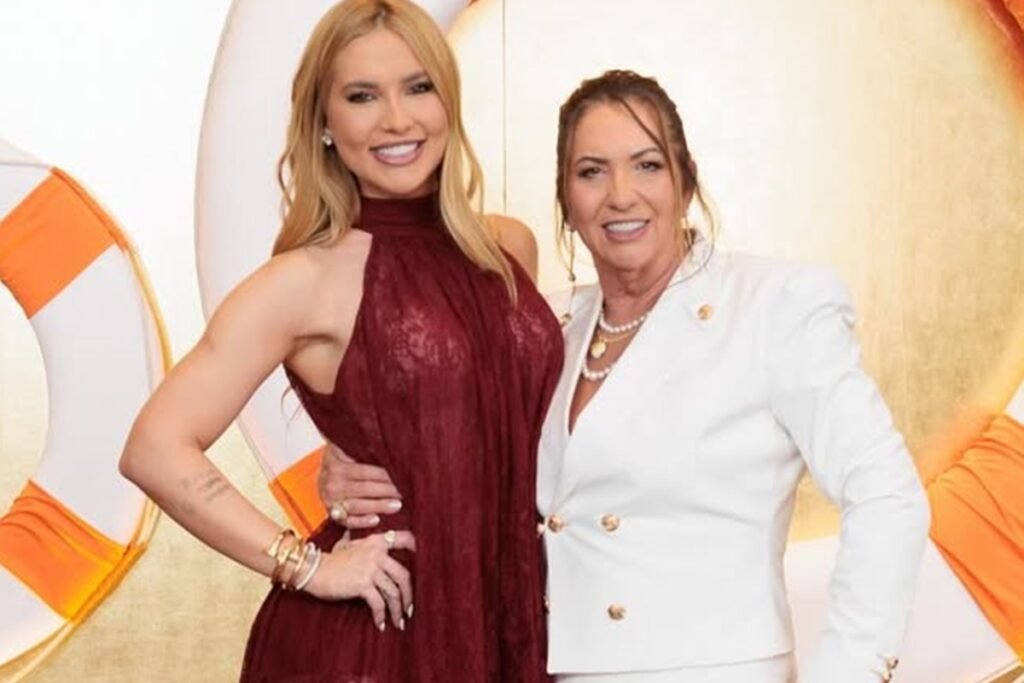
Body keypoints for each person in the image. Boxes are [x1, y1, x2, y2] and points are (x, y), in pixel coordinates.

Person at [320, 70, 931, 683]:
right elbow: (454, 455)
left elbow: (886, 493)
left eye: (647, 165)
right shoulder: (544, 328)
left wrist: (848, 673)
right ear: (566, 202)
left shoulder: (775, 305)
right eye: (591, 172)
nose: (621, 195)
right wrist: (350, 463)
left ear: (685, 181)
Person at [119, 1, 562, 681]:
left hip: (505, 618)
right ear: (324, 123)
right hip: (378, 636)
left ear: (448, 100)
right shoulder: (304, 280)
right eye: (362, 96)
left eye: (418, 87)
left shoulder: (507, 249)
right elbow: (154, 447)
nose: (397, 119)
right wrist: (308, 566)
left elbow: (498, 422)